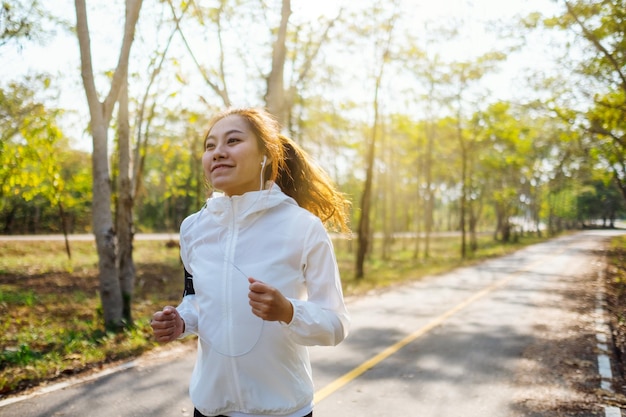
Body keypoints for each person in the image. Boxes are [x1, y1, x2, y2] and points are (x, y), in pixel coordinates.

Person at [150, 107, 351, 417]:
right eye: (210, 145)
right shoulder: (193, 228)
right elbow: (195, 299)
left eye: (232, 141)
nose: (218, 153)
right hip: (209, 407)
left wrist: (288, 311)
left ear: (266, 155)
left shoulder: (302, 226)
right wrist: (181, 320)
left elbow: (335, 325)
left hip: (283, 410)